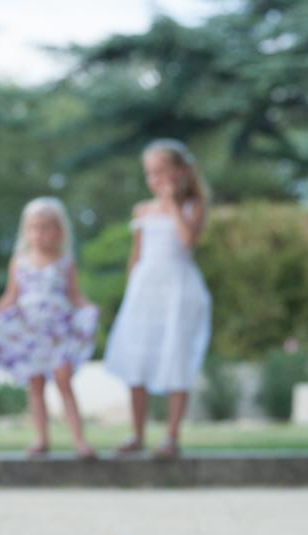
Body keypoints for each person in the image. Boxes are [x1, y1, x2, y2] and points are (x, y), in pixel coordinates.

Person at [104, 139, 211, 458]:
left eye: (161, 172)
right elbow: (135, 257)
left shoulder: (194, 207)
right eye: (150, 173)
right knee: (138, 360)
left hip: (178, 292)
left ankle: (171, 436)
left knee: (176, 358)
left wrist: (173, 204)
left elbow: (187, 241)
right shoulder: (142, 210)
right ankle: (136, 433)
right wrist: (129, 293)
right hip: (145, 294)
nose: (155, 179)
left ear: (180, 172)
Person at [0, 197, 98, 459]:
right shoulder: (20, 262)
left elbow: (75, 295)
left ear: (59, 231)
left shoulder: (65, 262)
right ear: (26, 231)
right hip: (30, 332)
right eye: (34, 227)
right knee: (35, 384)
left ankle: (79, 440)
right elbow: (11, 295)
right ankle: (41, 438)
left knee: (64, 380)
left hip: (58, 332)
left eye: (46, 227)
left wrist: (89, 309)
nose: (40, 234)